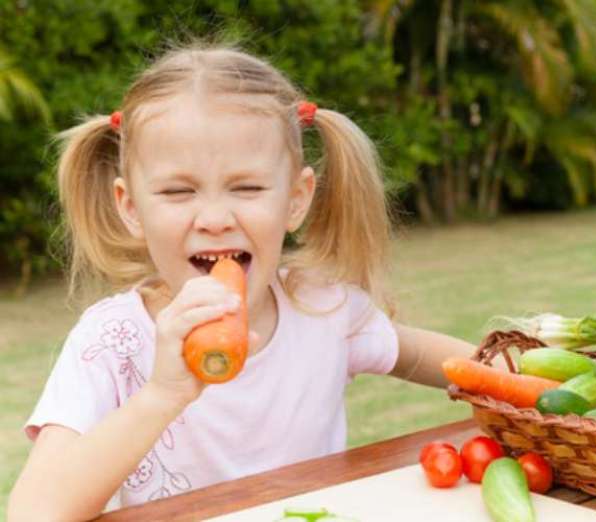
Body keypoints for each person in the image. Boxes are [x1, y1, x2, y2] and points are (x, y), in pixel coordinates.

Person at [8, 44, 477, 521]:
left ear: (296, 200)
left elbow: (434, 360)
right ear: (131, 208)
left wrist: (513, 383)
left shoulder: (324, 310)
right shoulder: (111, 342)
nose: (214, 218)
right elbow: (33, 514)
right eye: (178, 191)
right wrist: (163, 394)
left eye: (247, 187)